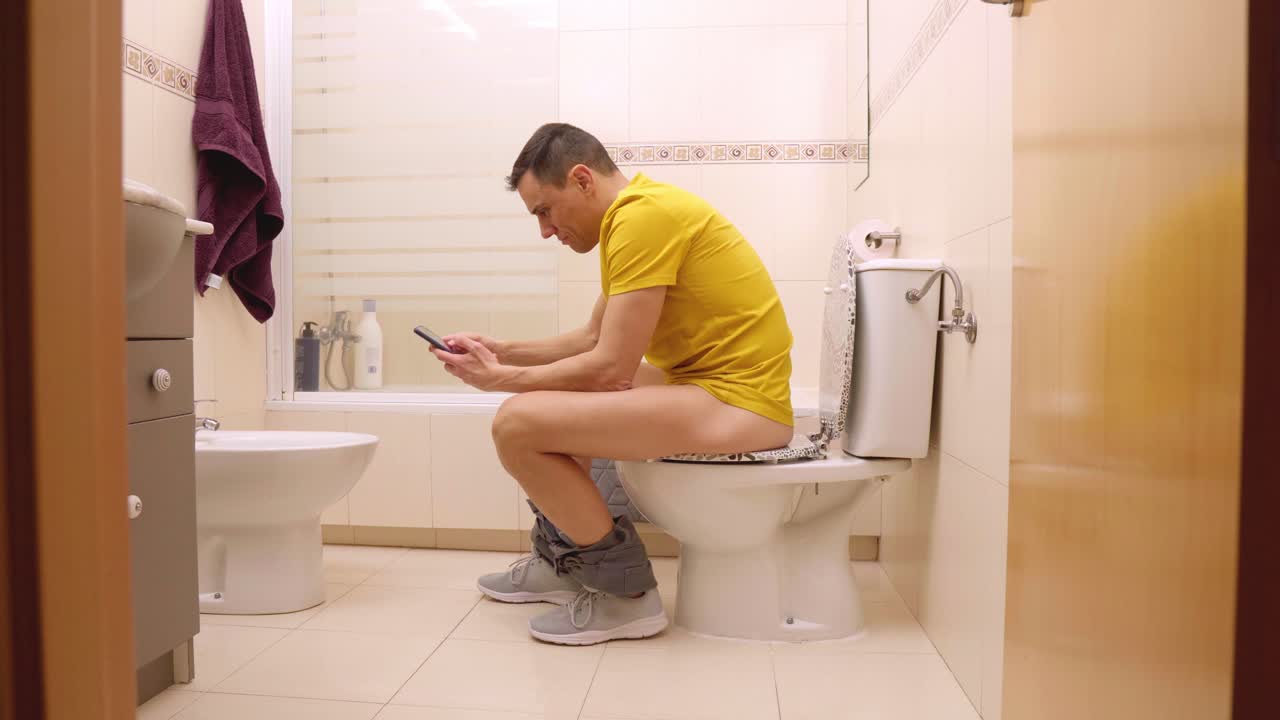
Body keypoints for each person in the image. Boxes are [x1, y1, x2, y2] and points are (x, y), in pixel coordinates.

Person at [427, 123, 795, 645]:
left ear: (582, 180)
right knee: (552, 396)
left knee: (516, 424)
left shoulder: (642, 218)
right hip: (714, 386)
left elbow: (611, 370)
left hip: (741, 402)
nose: (546, 231)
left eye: (545, 211)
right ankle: (563, 563)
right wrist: (500, 350)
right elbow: (592, 338)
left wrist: (502, 381)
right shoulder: (639, 213)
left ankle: (627, 596)